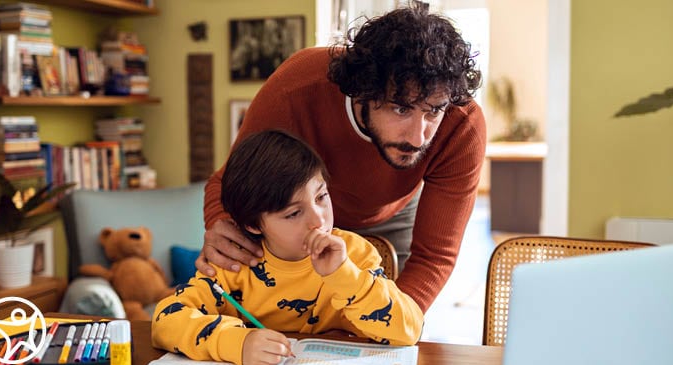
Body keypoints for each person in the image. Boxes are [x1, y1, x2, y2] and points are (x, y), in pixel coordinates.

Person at [198, 3, 485, 313]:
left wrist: (395, 323)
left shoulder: (462, 125)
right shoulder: (295, 90)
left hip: (394, 216)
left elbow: (434, 256)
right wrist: (222, 225)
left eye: (433, 111)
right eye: (401, 109)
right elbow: (227, 184)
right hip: (299, 217)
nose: (419, 138)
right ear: (363, 90)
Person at [152, 130, 423, 365]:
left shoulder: (355, 254)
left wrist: (345, 276)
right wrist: (235, 343)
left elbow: (409, 330)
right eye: (293, 213)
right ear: (253, 224)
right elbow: (165, 320)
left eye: (321, 196)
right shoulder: (233, 264)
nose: (318, 220)